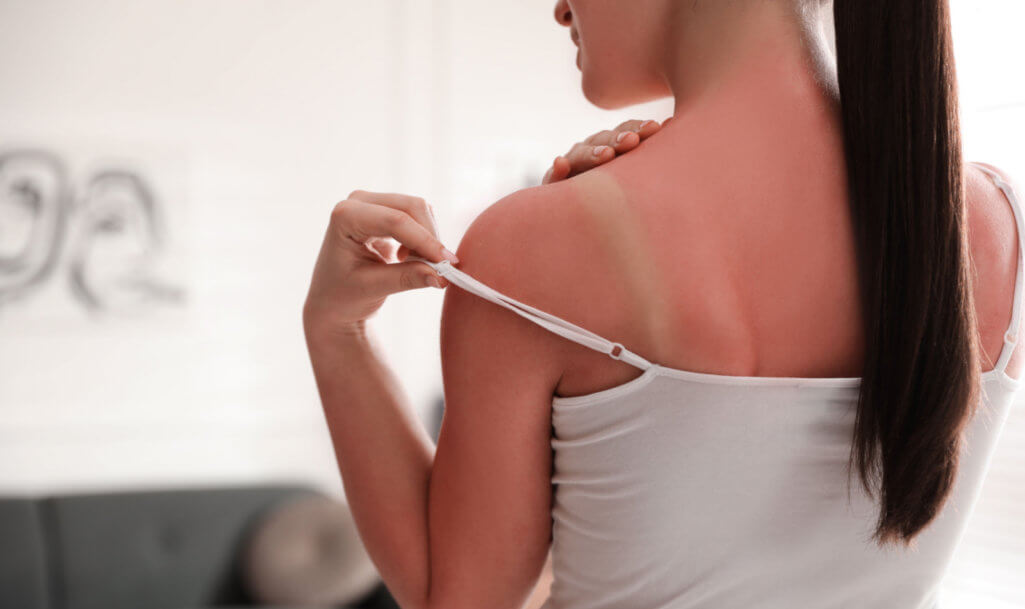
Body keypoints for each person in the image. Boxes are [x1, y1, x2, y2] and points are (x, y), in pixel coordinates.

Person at [302, 1, 1024, 608]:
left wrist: (337, 331)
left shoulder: (535, 246)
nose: (556, 6)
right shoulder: (997, 231)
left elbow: (451, 596)